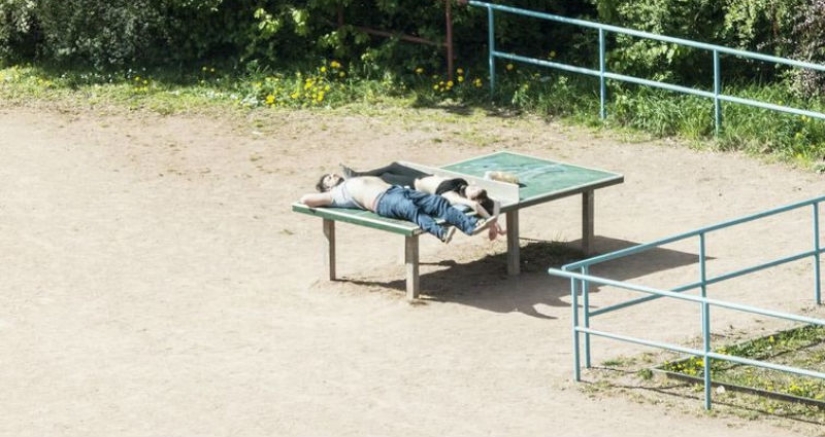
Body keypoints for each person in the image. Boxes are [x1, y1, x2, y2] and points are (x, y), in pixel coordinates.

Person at [301, 174, 495, 243]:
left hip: (398, 191)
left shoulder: (350, 181)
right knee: (411, 210)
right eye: (329, 178)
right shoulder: (335, 195)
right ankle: (441, 233)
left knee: (439, 203)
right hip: (383, 201)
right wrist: (324, 196)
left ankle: (470, 226)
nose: (333, 175)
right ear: (328, 187)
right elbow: (305, 199)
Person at [339, 161, 505, 239]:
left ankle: (352, 182)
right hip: (422, 175)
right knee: (393, 166)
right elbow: (496, 202)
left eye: (475, 191)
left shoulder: (451, 196)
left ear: (468, 197)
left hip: (412, 184)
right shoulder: (463, 186)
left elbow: (475, 205)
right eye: (476, 187)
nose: (474, 186)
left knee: (385, 177)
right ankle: (358, 174)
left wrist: (490, 224)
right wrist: (495, 221)